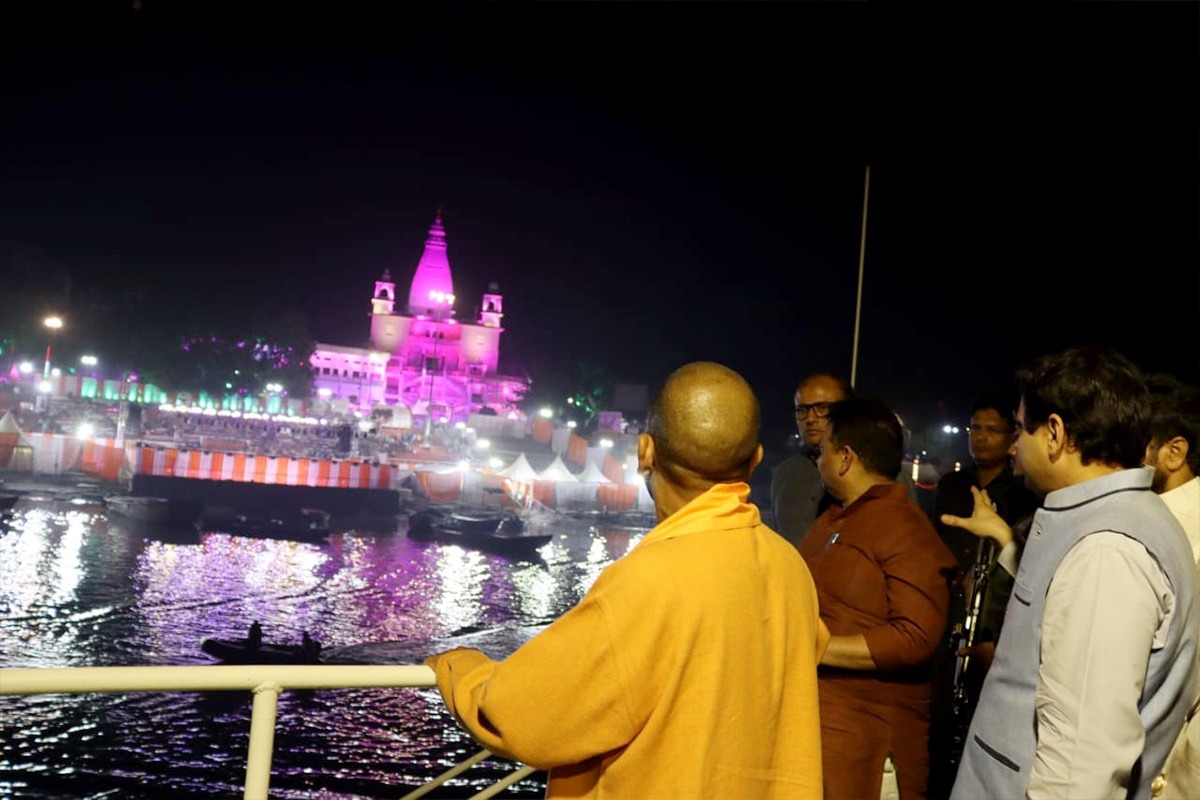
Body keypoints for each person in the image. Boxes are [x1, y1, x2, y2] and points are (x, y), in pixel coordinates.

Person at [424, 361, 828, 798]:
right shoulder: (790, 567)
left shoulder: (647, 579)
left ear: (645, 452)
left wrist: (458, 667)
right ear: (756, 461)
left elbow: (519, 718)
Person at [950, 346, 1199, 800]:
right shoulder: (1103, 520)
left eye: (1022, 428)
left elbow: (1080, 768)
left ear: (1055, 433)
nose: (1013, 445)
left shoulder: (1107, 550)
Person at [798, 395, 959, 800]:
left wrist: (820, 647)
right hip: (815, 734)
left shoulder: (906, 529)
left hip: (868, 745)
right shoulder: (834, 519)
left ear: (846, 458)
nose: (818, 461)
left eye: (824, 451)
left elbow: (916, 636)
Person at [926, 392, 1038, 799]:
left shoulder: (1025, 491)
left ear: (1011, 437)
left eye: (993, 429)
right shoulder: (953, 484)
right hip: (950, 607)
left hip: (996, 622)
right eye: (975, 427)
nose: (981, 437)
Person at [770, 372, 852, 547]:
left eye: (822, 408)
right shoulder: (787, 473)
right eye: (802, 410)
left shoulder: (878, 474)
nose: (810, 419)